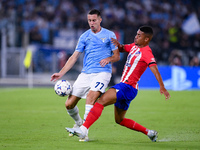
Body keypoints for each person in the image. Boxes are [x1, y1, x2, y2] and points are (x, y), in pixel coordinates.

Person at [66, 25, 171, 142]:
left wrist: (162, 86)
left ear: (146, 39)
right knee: (119, 120)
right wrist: (117, 44)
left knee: (100, 101)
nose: (136, 37)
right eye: (136, 34)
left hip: (127, 86)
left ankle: (83, 129)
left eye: (139, 36)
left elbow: (154, 69)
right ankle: (149, 133)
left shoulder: (146, 52)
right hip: (129, 89)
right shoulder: (134, 46)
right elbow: (122, 48)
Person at [51, 9, 120, 141]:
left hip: (102, 72)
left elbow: (117, 56)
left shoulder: (109, 35)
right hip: (85, 74)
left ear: (100, 20)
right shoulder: (84, 36)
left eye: (94, 20)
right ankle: (79, 123)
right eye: (89, 20)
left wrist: (108, 59)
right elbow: (74, 57)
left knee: (90, 97)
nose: (91, 23)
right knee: (69, 104)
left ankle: (84, 132)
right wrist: (61, 73)